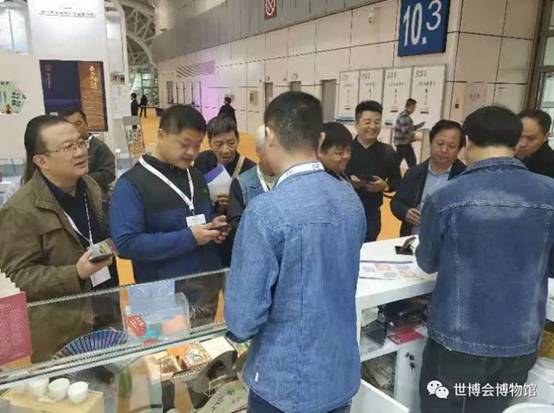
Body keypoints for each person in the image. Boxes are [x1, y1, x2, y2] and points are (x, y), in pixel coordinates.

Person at [225, 91, 366, 413]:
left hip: (284, 382)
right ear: (320, 139)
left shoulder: (266, 211)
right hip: (338, 372)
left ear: (270, 136)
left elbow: (243, 319)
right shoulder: (349, 199)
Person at [417, 106, 554, 413]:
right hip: (520, 338)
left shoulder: (446, 196)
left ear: (467, 141)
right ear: (516, 142)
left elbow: (428, 262)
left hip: (457, 340)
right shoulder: (550, 192)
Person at [0, 115, 114, 359]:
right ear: (42, 161)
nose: (80, 152)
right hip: (61, 329)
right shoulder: (20, 210)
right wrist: (75, 273)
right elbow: (16, 277)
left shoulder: (90, 186)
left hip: (105, 309)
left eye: (81, 142)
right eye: (68, 147)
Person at [109, 104, 229, 283]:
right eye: (185, 144)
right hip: (162, 289)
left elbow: (197, 216)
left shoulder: (195, 175)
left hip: (205, 282)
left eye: (197, 146)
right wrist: (190, 237)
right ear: (161, 135)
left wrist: (212, 225)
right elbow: (126, 244)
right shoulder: (131, 184)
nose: (192, 152)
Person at [391, 120, 466, 237]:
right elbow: (396, 203)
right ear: (431, 143)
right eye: (440, 144)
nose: (444, 150)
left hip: (448, 243)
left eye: (451, 146)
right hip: (414, 239)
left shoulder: (465, 177)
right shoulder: (414, 173)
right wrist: (405, 212)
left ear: (459, 149)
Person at [346, 100, 401, 242]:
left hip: (372, 214)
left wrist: (385, 186)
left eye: (377, 122)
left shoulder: (387, 152)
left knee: (368, 249)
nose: (373, 126)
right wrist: (348, 184)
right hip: (344, 212)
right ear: (356, 124)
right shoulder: (345, 150)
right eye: (367, 122)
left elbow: (397, 181)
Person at [194, 115, 256, 214]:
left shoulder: (251, 169)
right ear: (210, 144)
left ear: (238, 140)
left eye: (231, 143)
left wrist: (236, 203)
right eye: (218, 144)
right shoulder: (201, 160)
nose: (226, 150)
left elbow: (254, 207)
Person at [227, 124, 275, 235]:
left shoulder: (289, 179)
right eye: (271, 152)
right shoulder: (241, 183)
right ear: (258, 151)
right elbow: (236, 225)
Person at [62, 108, 116, 196]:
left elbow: (109, 174)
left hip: (97, 195)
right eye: (69, 126)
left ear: (86, 124)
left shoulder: (99, 147)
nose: (74, 128)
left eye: (78, 124)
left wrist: (80, 179)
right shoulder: (63, 149)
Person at [517, 109, 554, 178]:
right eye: (518, 136)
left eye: (531, 139)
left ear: (545, 136)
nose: (522, 144)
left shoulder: (551, 164)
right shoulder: (507, 151)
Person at [394, 98, 425, 168]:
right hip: (404, 144)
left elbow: (408, 128)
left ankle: (391, 174)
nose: (414, 109)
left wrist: (418, 126)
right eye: (414, 107)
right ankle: (412, 176)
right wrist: (416, 137)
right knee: (412, 163)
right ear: (411, 106)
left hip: (401, 144)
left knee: (396, 163)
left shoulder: (405, 116)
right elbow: (405, 131)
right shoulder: (404, 116)